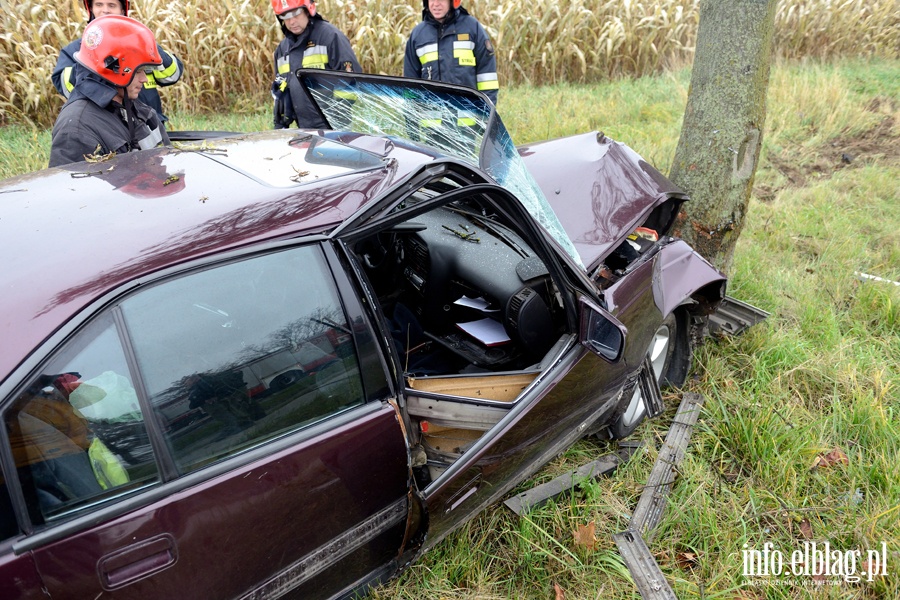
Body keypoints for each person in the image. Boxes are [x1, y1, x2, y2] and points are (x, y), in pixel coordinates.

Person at [49, 15, 171, 168]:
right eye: (139, 71)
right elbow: (74, 189)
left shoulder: (137, 109)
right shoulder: (77, 129)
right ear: (115, 69)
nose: (144, 79)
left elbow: (165, 160)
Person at [52, 0, 183, 122]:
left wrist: (146, 44)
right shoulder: (76, 50)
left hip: (150, 125)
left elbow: (172, 75)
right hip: (110, 131)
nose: (105, 10)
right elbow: (67, 88)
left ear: (122, 10)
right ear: (91, 9)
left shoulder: (139, 42)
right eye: (99, 5)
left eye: (111, 5)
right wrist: (93, 57)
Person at [270, 0, 362, 129]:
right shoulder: (283, 49)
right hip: (303, 127)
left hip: (333, 127)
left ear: (308, 11)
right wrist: (280, 122)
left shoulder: (330, 37)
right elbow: (282, 86)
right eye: (285, 17)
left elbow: (350, 79)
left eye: (296, 15)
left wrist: (338, 118)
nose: (291, 22)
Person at [403, 0, 499, 106]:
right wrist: (411, 119)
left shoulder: (472, 28)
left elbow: (488, 78)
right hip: (430, 120)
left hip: (468, 120)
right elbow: (410, 85)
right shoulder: (418, 35)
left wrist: (487, 113)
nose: (436, 4)